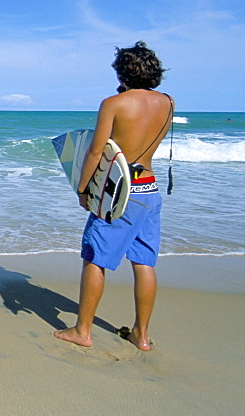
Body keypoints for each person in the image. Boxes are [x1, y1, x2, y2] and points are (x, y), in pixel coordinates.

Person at [55, 41, 173, 351]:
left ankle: (82, 331)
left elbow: (96, 151)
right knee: (144, 262)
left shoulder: (113, 103)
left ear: (122, 72)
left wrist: (83, 190)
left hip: (120, 193)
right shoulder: (168, 103)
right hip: (149, 189)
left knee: (95, 258)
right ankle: (141, 335)